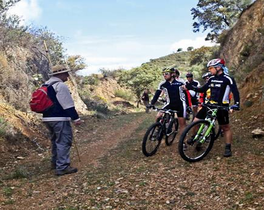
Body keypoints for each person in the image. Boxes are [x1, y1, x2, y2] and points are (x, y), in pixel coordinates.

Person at [185, 58, 240, 157]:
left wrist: (236, 104)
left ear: (218, 67)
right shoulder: (211, 78)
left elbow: (235, 92)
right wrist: (190, 87)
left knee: (225, 127)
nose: (209, 70)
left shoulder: (228, 79)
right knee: (195, 121)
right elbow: (202, 89)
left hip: (221, 106)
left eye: (211, 68)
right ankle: (194, 137)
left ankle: (228, 147)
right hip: (209, 104)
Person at [43, 65, 82, 176]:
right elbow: (68, 105)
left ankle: (55, 163)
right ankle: (62, 167)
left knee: (55, 141)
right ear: (60, 74)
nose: (68, 76)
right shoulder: (60, 86)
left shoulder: (45, 84)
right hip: (60, 118)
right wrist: (76, 119)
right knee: (64, 141)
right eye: (66, 73)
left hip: (47, 118)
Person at [148, 68, 188, 135]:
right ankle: (157, 129)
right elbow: (157, 94)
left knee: (182, 124)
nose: (164, 75)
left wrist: (188, 105)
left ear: (172, 74)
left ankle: (183, 142)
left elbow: (186, 94)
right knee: (158, 115)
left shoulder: (181, 83)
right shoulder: (162, 84)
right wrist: (151, 104)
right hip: (169, 104)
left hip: (180, 105)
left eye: (166, 74)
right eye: (163, 74)